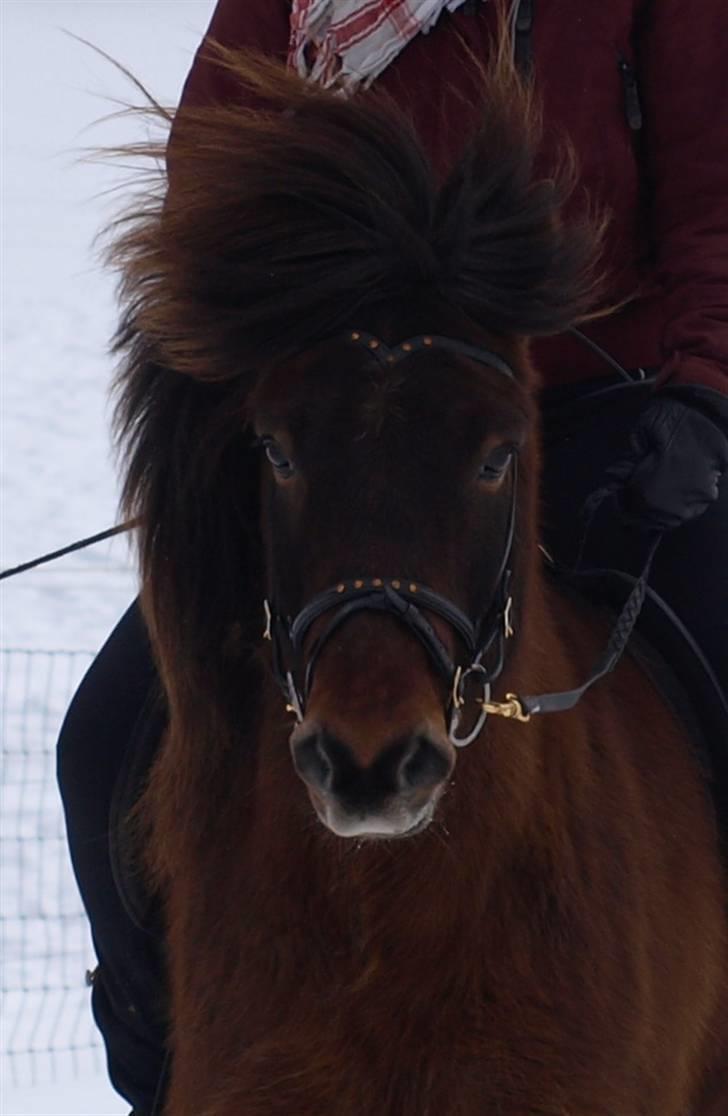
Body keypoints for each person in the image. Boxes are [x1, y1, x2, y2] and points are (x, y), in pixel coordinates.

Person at [57, 2, 728, 1112]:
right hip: (347, 431)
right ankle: (159, 1055)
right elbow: (205, 200)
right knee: (104, 746)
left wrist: (704, 396)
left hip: (614, 411)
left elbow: (717, 201)